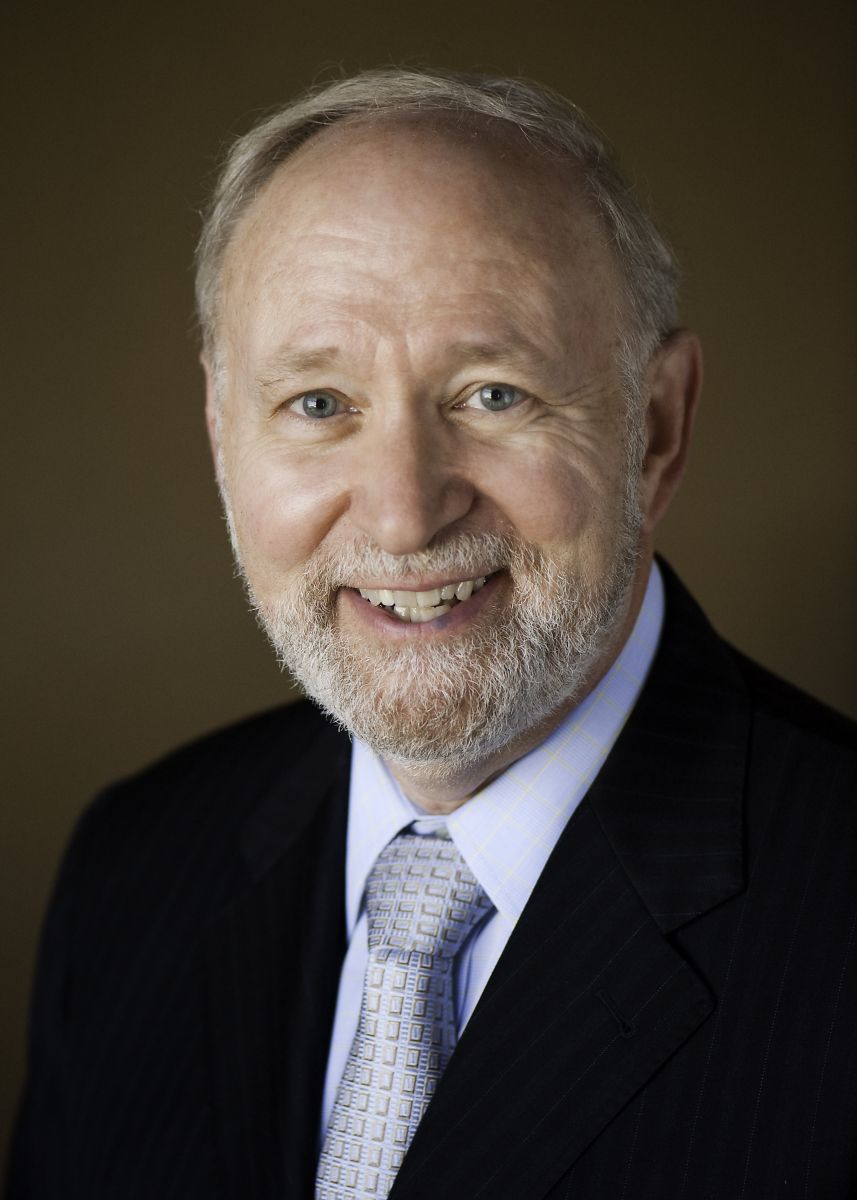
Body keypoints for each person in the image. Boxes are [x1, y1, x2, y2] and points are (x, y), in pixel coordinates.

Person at [7, 68, 857, 1200]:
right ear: (222, 437)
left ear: (654, 430)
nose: (404, 510)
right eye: (318, 405)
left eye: (492, 394)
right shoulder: (133, 869)